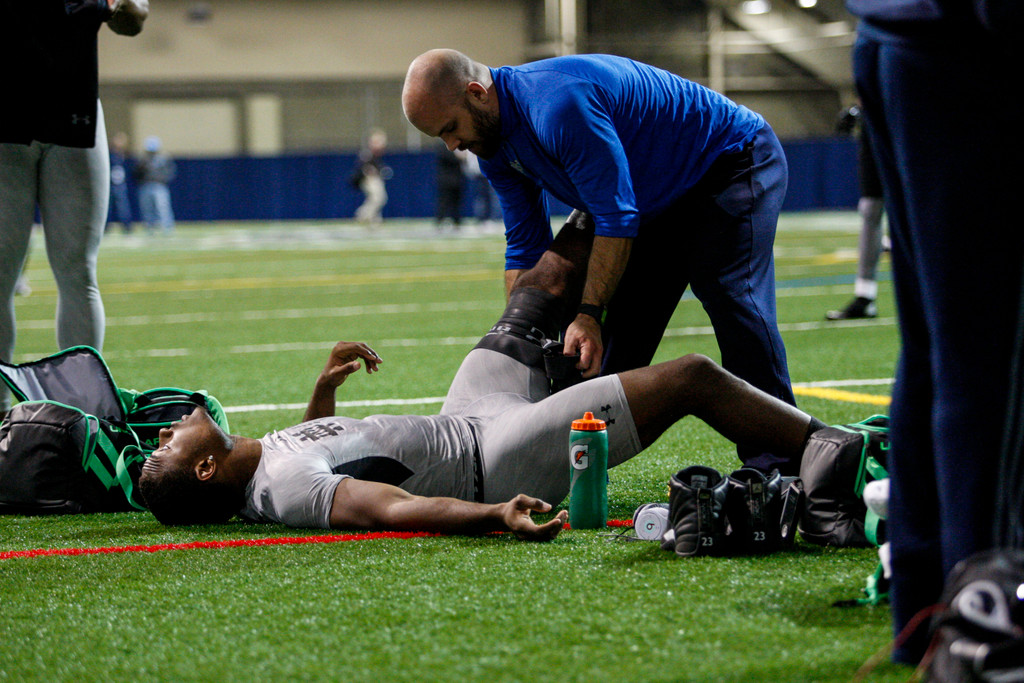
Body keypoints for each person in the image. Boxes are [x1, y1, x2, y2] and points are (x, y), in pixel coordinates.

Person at [139, 224, 824, 535]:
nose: (169, 427)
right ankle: (834, 448)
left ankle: (629, 205)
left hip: (467, 413)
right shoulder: (281, 488)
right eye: (169, 443)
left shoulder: (261, 461)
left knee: (541, 285)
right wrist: (494, 514)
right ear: (205, 468)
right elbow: (391, 509)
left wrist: (324, 389)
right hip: (492, 460)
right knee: (691, 376)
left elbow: (322, 444)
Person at [401, 50, 797, 474]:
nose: (452, 145)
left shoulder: (558, 105)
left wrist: (589, 312)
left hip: (730, 161)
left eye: (449, 129)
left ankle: (783, 464)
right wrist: (519, 338)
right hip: (650, 200)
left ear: (477, 93)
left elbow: (615, 216)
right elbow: (525, 247)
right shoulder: (492, 146)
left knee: (731, 296)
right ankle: (554, 467)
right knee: (606, 355)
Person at [847, 0, 1022, 666]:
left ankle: (924, 614)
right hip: (971, 46)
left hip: (900, 34)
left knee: (937, 345)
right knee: (993, 354)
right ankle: (990, 629)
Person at [0, 0, 148, 419]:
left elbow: (135, 18)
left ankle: (80, 416)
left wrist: (116, 3)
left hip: (72, 111)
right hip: (7, 115)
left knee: (78, 271)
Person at [825, 104, 885, 321]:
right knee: (870, 209)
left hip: (908, 120)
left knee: (916, 208)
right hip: (874, 129)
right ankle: (865, 297)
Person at [135, 135, 176, 234]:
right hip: (146, 185)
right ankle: (149, 228)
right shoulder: (143, 160)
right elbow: (136, 173)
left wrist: (161, 180)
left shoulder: (163, 159)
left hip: (159, 186)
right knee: (147, 209)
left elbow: (170, 172)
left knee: (162, 208)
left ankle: (167, 228)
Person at [352, 129, 390, 227]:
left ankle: (374, 219)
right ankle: (363, 215)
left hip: (373, 179)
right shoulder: (367, 154)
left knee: (377, 199)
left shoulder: (375, 156)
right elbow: (363, 169)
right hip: (368, 180)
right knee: (378, 198)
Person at [106, 131, 134, 234]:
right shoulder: (109, 154)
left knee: (123, 207)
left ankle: (127, 227)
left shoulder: (124, 155)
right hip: (110, 185)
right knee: (107, 208)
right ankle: (105, 228)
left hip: (120, 186)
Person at [434, 144, 464, 231]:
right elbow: (451, 158)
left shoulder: (457, 146)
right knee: (444, 202)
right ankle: (440, 221)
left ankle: (456, 222)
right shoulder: (443, 147)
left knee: (456, 203)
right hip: (446, 181)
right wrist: (459, 156)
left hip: (457, 179)